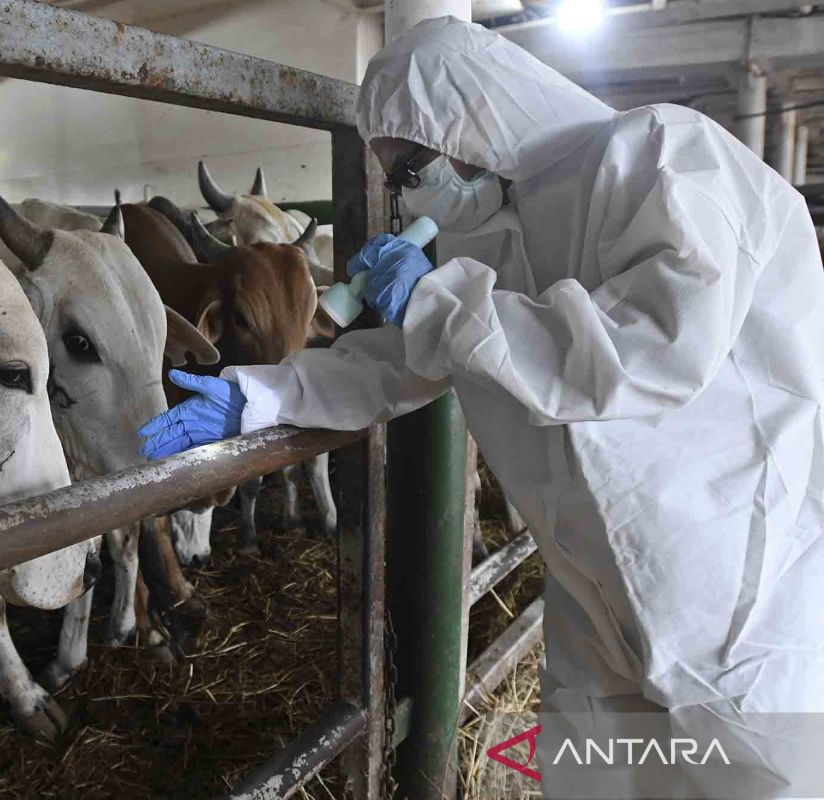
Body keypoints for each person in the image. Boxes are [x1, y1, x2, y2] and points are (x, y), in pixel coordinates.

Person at [139, 16, 824, 798]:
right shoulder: (481, 243)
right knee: (605, 781)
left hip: (735, 600)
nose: (408, 195)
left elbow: (653, 352)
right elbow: (409, 361)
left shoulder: (664, 158)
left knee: (759, 782)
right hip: (595, 599)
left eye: (409, 170)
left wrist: (437, 301)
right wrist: (261, 394)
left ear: (473, 121)